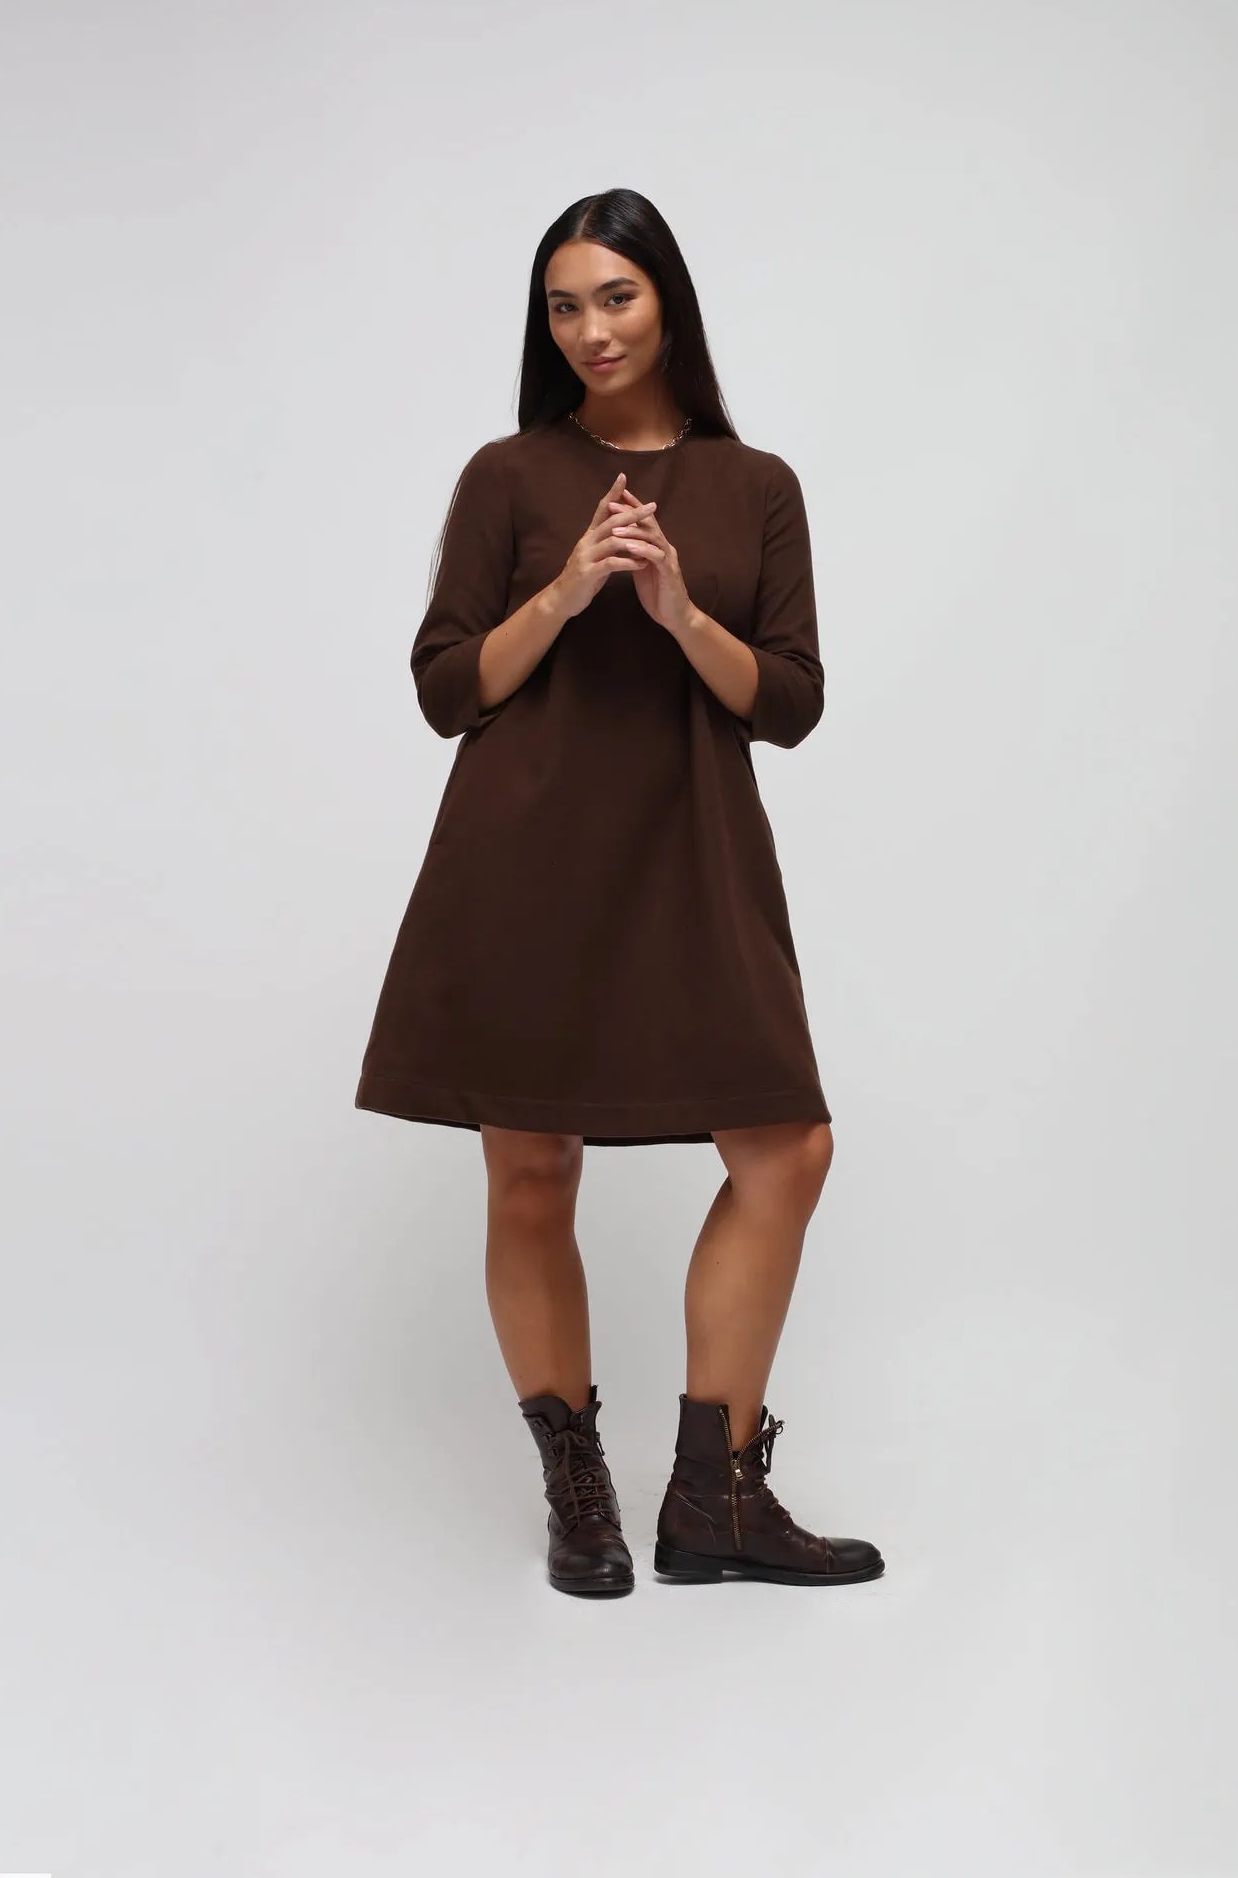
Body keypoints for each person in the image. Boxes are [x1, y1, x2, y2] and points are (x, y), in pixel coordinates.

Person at [354, 188, 883, 1595]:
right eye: (564, 305)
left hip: (694, 847)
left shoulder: (755, 485)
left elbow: (790, 704)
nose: (591, 329)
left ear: (671, 304)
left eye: (617, 297)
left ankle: (712, 1493)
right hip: (524, 858)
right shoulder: (509, 477)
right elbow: (446, 687)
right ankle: (575, 1486)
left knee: (789, 1148)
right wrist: (573, 585)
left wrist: (676, 612)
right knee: (532, 1169)